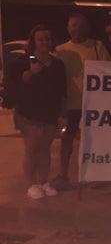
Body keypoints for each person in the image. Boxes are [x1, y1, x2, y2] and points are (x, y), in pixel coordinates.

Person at [5, 25, 67, 199]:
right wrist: (29, 74)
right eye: (40, 39)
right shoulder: (23, 62)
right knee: (32, 148)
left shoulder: (57, 64)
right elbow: (12, 88)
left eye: (47, 38)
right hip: (28, 114)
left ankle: (43, 182)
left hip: (49, 114)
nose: (45, 42)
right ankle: (32, 184)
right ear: (33, 42)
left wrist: (62, 114)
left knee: (45, 149)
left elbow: (62, 91)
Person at [53, 13, 111, 189]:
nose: (77, 28)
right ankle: (63, 175)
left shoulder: (97, 46)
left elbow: (109, 71)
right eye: (73, 25)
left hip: (93, 105)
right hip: (70, 104)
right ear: (68, 28)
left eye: (81, 25)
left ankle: (95, 175)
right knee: (67, 141)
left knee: (94, 142)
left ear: (87, 28)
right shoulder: (60, 50)